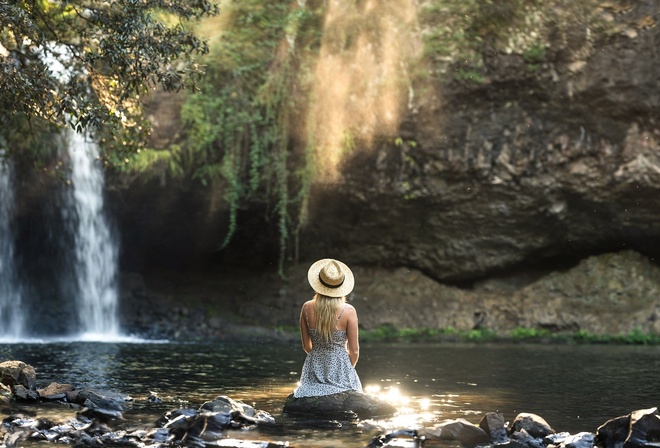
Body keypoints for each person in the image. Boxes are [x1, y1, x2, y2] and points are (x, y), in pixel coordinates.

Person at [293, 258, 363, 398]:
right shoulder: (349, 311)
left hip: (313, 370)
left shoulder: (306, 307)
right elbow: (354, 351)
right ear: (341, 287)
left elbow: (307, 346)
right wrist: (346, 370)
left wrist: (320, 362)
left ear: (319, 284)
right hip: (342, 369)